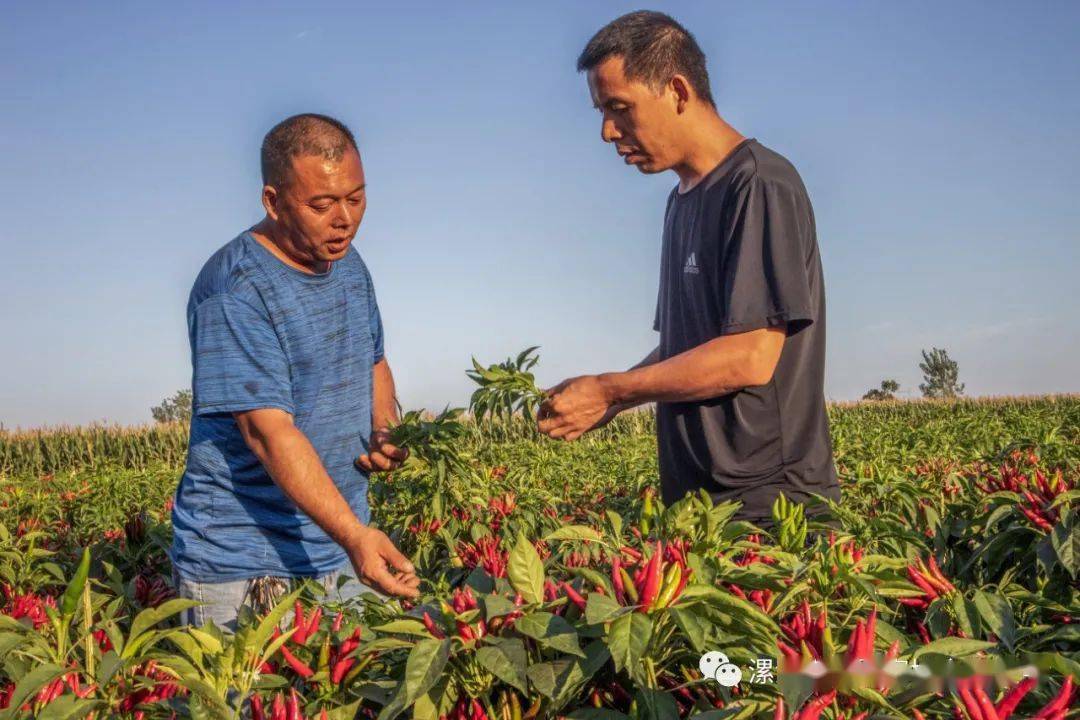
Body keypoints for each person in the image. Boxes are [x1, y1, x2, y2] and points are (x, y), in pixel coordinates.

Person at [537, 12, 840, 526]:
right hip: (699, 505)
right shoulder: (681, 202)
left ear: (677, 90)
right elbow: (686, 343)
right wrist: (610, 400)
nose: (608, 131)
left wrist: (612, 388)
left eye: (619, 108)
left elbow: (749, 356)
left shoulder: (759, 184)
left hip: (770, 510)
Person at [170, 113, 420, 630]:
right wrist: (354, 536)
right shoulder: (236, 289)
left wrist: (384, 428)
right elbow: (268, 433)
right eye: (322, 205)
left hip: (340, 544)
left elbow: (374, 359)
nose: (344, 219)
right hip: (243, 563)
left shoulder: (349, 264)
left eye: (355, 198)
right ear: (273, 200)